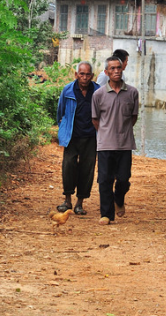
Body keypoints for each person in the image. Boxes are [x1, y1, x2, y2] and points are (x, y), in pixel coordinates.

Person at [92, 54, 139, 225]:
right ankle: (106, 214)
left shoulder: (132, 92)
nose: (116, 71)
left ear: (122, 69)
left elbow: (134, 117)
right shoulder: (98, 94)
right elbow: (95, 119)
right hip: (105, 144)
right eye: (112, 68)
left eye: (119, 67)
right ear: (106, 72)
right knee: (104, 179)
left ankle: (118, 199)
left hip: (125, 144)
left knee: (124, 179)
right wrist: (106, 133)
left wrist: (122, 131)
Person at [54, 61, 99, 216]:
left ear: (92, 76)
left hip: (91, 136)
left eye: (87, 74)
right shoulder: (68, 90)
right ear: (76, 74)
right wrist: (63, 129)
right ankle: (67, 200)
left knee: (87, 169)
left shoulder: (98, 91)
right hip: (72, 136)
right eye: (82, 74)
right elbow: (60, 112)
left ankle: (80, 203)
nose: (84, 77)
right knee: (68, 166)